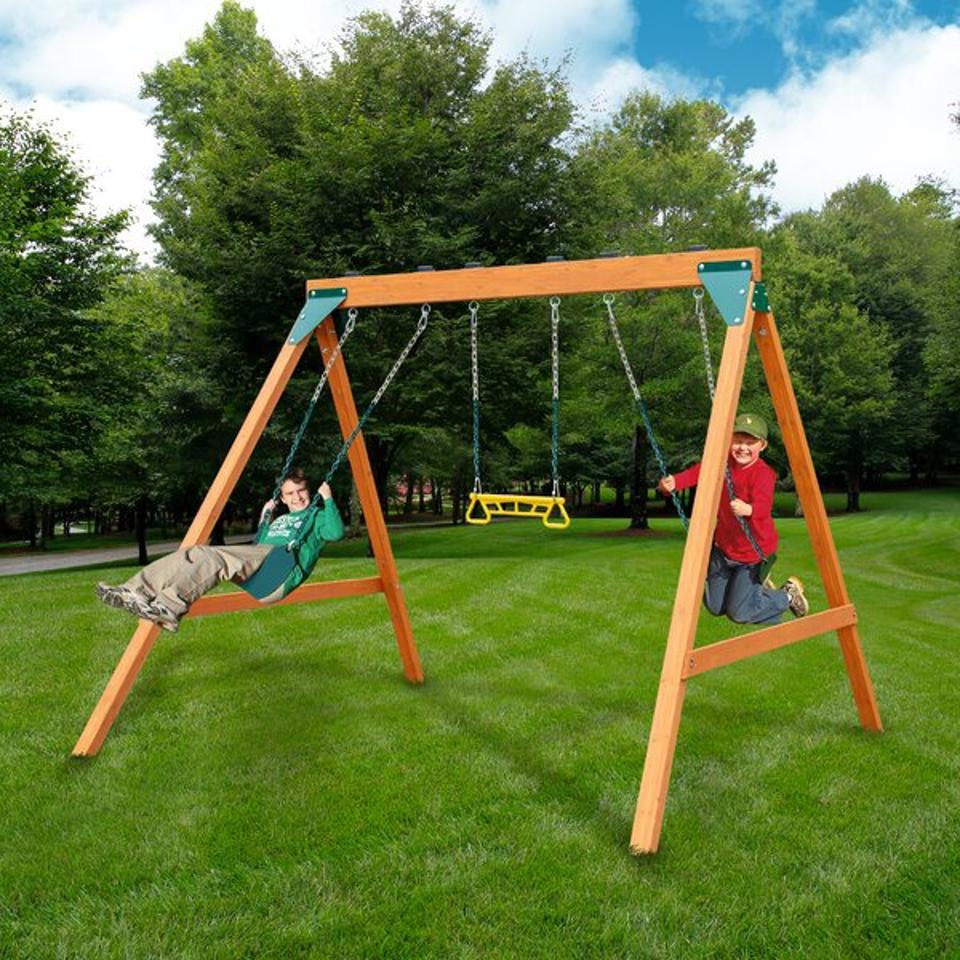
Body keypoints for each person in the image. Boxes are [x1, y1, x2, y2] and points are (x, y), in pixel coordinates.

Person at [96, 468, 344, 633]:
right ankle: (136, 591)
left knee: (214, 557)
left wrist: (329, 499)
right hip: (261, 573)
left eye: (301, 492)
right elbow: (258, 547)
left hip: (281, 570)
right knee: (198, 553)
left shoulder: (318, 516)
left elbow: (335, 533)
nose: (297, 497)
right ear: (283, 496)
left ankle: (169, 607)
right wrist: (265, 518)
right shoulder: (278, 521)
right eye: (290, 493)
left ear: (310, 493)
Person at [657, 413, 808, 625]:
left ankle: (787, 595)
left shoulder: (763, 474)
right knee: (715, 606)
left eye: (750, 443)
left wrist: (749, 509)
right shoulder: (722, 464)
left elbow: (763, 507)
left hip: (753, 552)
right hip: (725, 547)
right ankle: (756, 595)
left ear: (762, 446)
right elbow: (698, 473)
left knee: (739, 614)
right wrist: (674, 483)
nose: (742, 448)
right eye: (738, 441)